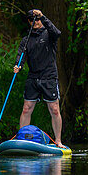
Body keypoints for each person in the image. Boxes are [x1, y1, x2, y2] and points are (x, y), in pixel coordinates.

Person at [15, 8, 64, 146]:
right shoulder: (26, 40)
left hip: (49, 76)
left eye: (37, 19)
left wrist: (43, 16)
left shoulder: (49, 34)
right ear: (29, 22)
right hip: (33, 77)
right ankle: (22, 138)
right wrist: (18, 65)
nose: (35, 22)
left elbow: (57, 33)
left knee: (54, 109)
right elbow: (21, 55)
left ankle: (58, 141)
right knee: (26, 108)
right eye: (32, 20)